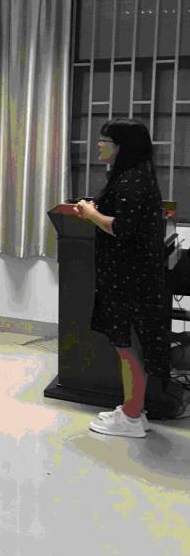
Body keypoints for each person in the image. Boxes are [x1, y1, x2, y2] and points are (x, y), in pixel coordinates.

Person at [75, 119, 168, 438]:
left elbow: (122, 228)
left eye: (105, 141)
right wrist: (96, 210)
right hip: (129, 276)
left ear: (122, 147)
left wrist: (91, 214)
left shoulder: (131, 180)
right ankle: (133, 411)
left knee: (126, 346)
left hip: (127, 279)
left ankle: (130, 417)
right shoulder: (134, 176)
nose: (99, 145)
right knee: (128, 345)